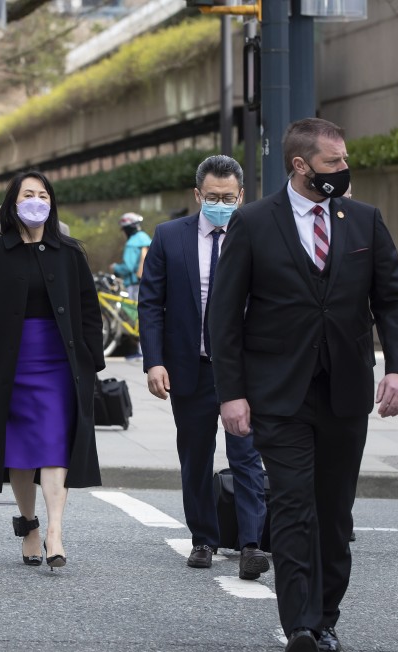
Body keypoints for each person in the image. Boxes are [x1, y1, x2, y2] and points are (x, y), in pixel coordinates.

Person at [211, 118, 398, 652]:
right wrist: (231, 393)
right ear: (301, 166)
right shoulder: (254, 223)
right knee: (295, 507)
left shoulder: (365, 221)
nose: (343, 169)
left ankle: (327, 617)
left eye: (344, 159)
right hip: (280, 394)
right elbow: (224, 316)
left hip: (346, 392)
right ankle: (302, 625)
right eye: (332, 162)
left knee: (334, 514)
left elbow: (394, 299)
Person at [0, 170, 105, 570]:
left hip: (59, 364)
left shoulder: (70, 252)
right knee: (20, 453)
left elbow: (89, 311)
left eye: (43, 194)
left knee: (56, 444)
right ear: (13, 203)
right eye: (28, 194)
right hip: (10, 365)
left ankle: (56, 530)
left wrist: (92, 359)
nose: (36, 201)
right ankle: (29, 526)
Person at [138, 155, 269, 580]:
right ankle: (203, 539)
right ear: (198, 195)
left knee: (247, 455)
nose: (220, 203)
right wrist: (154, 361)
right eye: (212, 197)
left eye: (228, 197)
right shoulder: (169, 236)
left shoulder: (257, 236)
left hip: (242, 371)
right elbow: (151, 303)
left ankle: (251, 543)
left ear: (241, 195)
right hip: (189, 366)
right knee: (195, 456)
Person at [111, 212, 151, 359]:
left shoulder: (132, 242)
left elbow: (127, 267)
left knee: (137, 316)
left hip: (135, 284)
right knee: (146, 315)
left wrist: (115, 267)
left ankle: (141, 351)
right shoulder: (146, 238)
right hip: (148, 283)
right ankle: (145, 350)